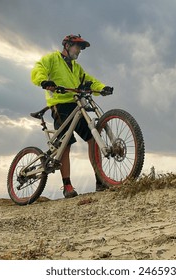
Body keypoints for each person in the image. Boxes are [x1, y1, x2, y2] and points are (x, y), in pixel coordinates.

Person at [31, 34, 113, 198]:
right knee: (65, 145)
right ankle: (67, 186)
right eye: (77, 46)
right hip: (60, 106)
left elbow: (89, 81)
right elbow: (38, 69)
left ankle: (100, 179)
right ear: (67, 46)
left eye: (81, 48)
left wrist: (102, 88)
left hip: (77, 105)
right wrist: (45, 82)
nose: (80, 50)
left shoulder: (76, 68)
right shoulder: (52, 59)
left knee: (93, 139)